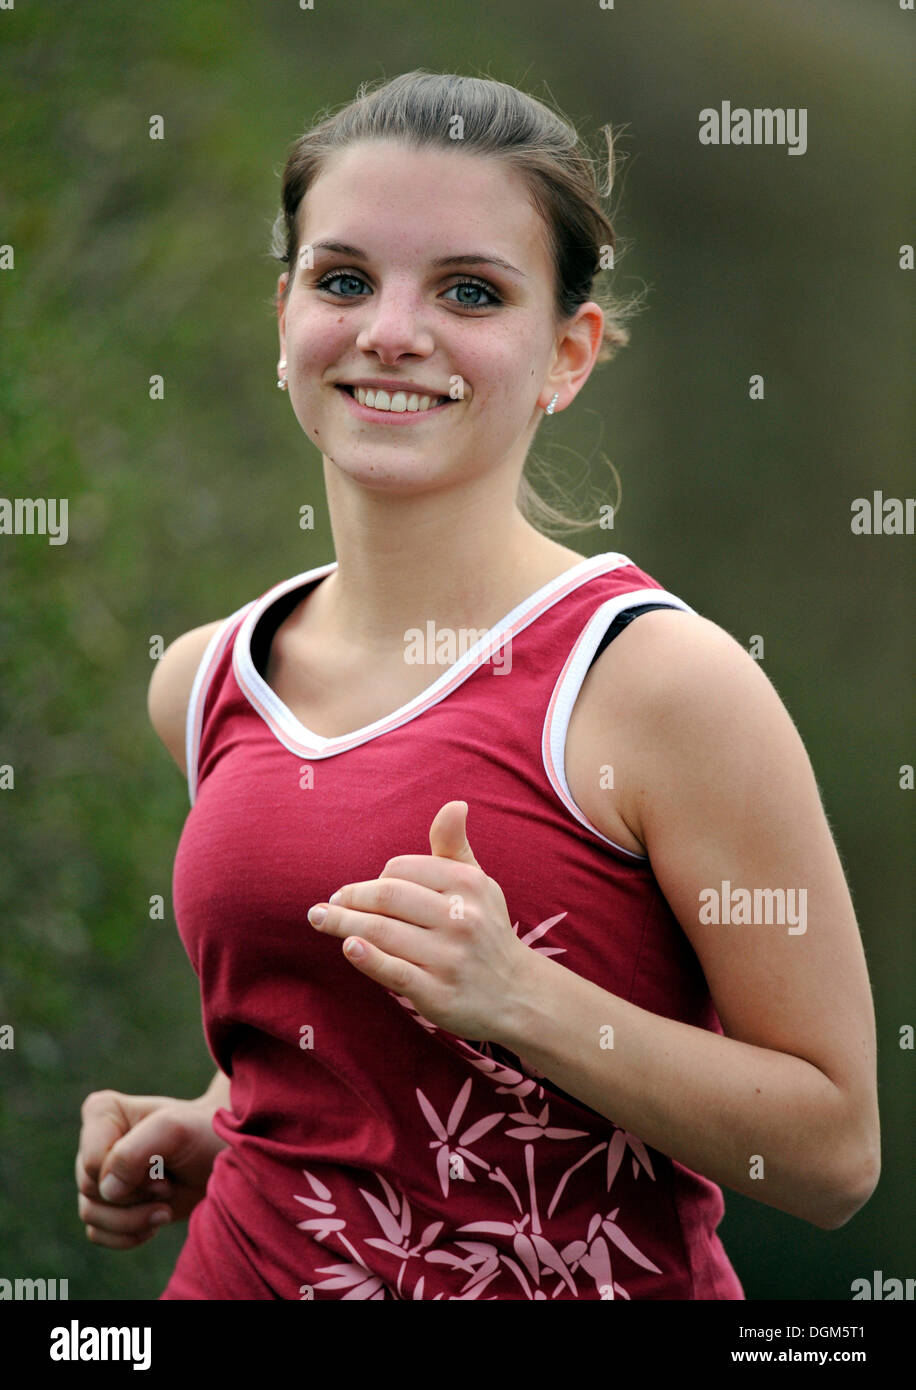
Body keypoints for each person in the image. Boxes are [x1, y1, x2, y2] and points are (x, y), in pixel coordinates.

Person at [75, 71, 880, 1300]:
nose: (392, 330)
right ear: (283, 311)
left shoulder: (659, 684)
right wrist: (209, 1123)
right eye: (343, 279)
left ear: (567, 353)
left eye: (468, 291)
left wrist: (522, 997)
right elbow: (338, 1058)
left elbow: (830, 1152)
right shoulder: (204, 678)